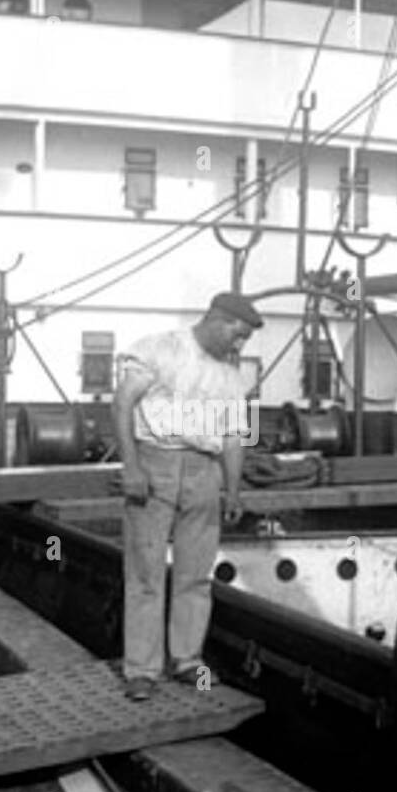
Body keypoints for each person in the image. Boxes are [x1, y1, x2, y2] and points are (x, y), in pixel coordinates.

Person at [113, 293, 263, 700]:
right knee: (145, 573)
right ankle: (141, 670)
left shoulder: (231, 377)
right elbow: (122, 404)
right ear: (218, 319)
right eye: (238, 335)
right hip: (154, 463)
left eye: (245, 340)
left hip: (205, 473)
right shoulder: (158, 348)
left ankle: (187, 661)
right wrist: (131, 467)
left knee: (195, 574)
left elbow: (233, 436)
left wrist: (232, 491)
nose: (239, 346)